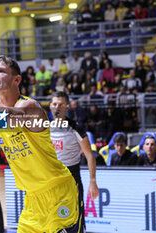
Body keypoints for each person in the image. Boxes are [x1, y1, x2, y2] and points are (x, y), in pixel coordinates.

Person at [0, 50, 96, 231]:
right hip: (32, 199)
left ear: (17, 79)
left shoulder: (29, 107)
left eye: (0, 71)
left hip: (59, 192)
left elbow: (2, 116)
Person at [49, 91, 99, 232]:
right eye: (54, 104)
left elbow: (89, 156)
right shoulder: (44, 127)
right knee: (54, 223)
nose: (57, 107)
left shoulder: (75, 129)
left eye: (60, 104)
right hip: (52, 181)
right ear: (50, 106)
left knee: (74, 223)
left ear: (67, 107)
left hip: (71, 180)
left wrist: (93, 181)